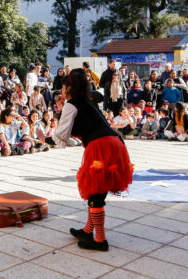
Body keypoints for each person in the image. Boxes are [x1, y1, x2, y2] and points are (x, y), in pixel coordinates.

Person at [53, 68, 132, 251]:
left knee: (95, 194)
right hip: (115, 143)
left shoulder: (71, 105)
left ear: (69, 89)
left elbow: (61, 136)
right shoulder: (88, 101)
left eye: (64, 88)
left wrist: (44, 139)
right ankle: (88, 230)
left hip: (100, 146)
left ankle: (100, 240)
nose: (62, 92)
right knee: (97, 190)